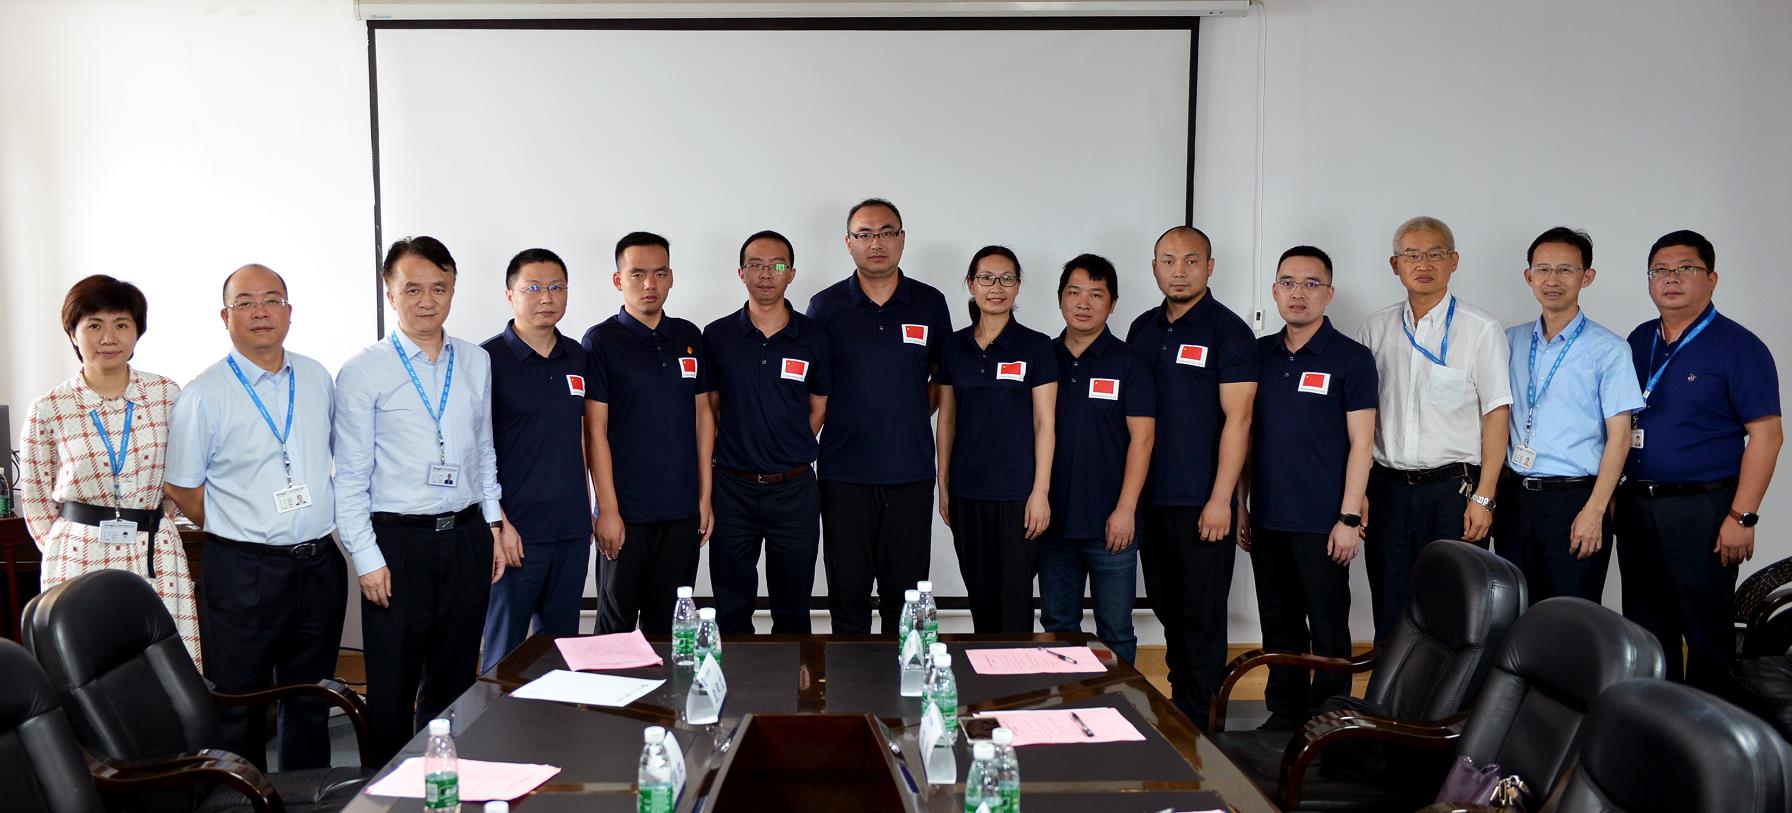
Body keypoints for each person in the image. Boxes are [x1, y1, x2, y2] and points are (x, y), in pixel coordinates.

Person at [333, 236, 505, 762]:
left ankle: (443, 778)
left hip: (466, 536)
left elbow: (484, 451)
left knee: (455, 681)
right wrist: (367, 559)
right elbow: (350, 477)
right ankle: (385, 791)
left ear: (452, 290)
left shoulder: (475, 360)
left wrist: (493, 526)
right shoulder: (364, 370)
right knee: (392, 682)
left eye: (439, 287)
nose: (427, 300)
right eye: (412, 289)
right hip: (397, 544)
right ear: (390, 294)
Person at [164, 264, 342, 768]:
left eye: (271, 300)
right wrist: (238, 525)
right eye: (245, 302)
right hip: (244, 570)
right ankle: (242, 799)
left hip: (319, 563)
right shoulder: (203, 394)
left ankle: (309, 792)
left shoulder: (317, 377)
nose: (260, 311)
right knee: (239, 702)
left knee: (311, 697)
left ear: (289, 311)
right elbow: (181, 484)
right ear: (226, 317)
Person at [1618, 229, 1781, 700]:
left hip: (1703, 510)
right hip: (1637, 505)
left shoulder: (1738, 346)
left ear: (1711, 279)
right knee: (1646, 628)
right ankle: (1655, 725)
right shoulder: (1639, 340)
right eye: (1660, 271)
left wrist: (1742, 517)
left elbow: (1767, 436)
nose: (1671, 279)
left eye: (1685, 268)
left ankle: (1709, 734)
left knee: (1705, 630)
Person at [19, 275, 201, 665]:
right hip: (77, 554)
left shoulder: (165, 395)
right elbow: (35, 500)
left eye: (121, 324)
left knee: (166, 671)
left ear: (137, 332)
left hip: (153, 550)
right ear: (73, 333)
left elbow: (182, 474)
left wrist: (154, 521)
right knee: (86, 670)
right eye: (94, 325)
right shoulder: (49, 407)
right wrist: (69, 544)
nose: (108, 338)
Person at [1238, 246, 1376, 730]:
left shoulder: (1352, 358)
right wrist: (1241, 506)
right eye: (1288, 282)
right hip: (1268, 518)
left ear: (1329, 294)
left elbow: (1362, 444)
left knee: (1329, 628)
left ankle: (1329, 721)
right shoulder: (1258, 354)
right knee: (1279, 626)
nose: (1299, 293)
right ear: (1275, 291)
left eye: (1311, 284)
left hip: (1324, 522)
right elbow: (1244, 436)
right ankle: (1284, 714)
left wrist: (1349, 518)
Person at [1124, 225, 1257, 727]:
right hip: (1150, 497)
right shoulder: (1142, 329)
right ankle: (1181, 708)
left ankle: (1202, 721)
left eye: (1191, 260)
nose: (1179, 271)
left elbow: (1240, 420)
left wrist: (1223, 499)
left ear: (1209, 267)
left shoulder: (1229, 332)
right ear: (1155, 267)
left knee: (1202, 614)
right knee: (1165, 605)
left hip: (1203, 500)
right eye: (1168, 261)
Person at [1356, 216, 1511, 641]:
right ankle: (1391, 686)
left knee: (1454, 607)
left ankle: (1450, 689)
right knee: (1390, 603)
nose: (1423, 264)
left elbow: (1497, 415)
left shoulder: (1481, 329)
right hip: (1386, 490)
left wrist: (1485, 497)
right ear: (1395, 265)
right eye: (1411, 255)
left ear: (1454, 261)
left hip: (1453, 492)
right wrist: (1360, 490)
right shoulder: (1375, 328)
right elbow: (1363, 417)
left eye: (1435, 254)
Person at [806, 198, 954, 634]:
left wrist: (909, 410)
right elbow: (813, 387)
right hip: (843, 474)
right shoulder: (825, 307)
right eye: (865, 235)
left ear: (902, 240)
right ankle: (851, 680)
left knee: (906, 602)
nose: (876, 243)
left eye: (887, 233)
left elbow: (941, 377)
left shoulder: (929, 303)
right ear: (848, 243)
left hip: (910, 471)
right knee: (847, 598)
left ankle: (904, 680)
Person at [1494, 228, 1641, 603]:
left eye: (1565, 270)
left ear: (1586, 277)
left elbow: (1620, 437)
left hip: (1575, 499)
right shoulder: (1509, 341)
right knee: (1515, 612)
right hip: (1515, 499)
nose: (1552, 280)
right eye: (1543, 269)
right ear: (1528, 276)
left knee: (1570, 615)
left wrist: (1595, 511)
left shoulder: (1609, 349)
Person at [582, 231, 715, 634]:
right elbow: (594, 430)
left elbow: (704, 417)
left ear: (671, 277)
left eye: (659, 273)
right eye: (637, 274)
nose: (649, 284)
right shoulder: (601, 341)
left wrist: (704, 498)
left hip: (680, 511)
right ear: (618, 280)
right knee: (615, 632)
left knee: (671, 630)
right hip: (627, 514)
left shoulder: (689, 337)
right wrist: (607, 509)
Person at [702, 230, 830, 634]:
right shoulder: (717, 336)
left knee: (793, 609)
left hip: (794, 490)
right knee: (730, 607)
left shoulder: (814, 336)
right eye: (755, 265)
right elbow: (711, 406)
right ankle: (732, 675)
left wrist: (787, 444)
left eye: (776, 265)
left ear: (791, 273)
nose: (765, 274)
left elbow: (819, 405)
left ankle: (793, 678)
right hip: (732, 488)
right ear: (741, 273)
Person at [479, 248, 594, 670]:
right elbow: (474, 451)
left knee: (561, 653)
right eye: (533, 288)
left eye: (556, 287)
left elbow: (589, 438)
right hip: (516, 533)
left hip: (572, 529)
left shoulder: (579, 357)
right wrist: (499, 524)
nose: (546, 297)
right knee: (504, 656)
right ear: (509, 295)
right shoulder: (485, 360)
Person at [936, 246, 1058, 633]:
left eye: (1007, 278)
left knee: (1014, 603)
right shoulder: (953, 347)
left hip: (1017, 494)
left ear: (1018, 286)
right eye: (986, 278)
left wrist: (1040, 493)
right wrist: (943, 484)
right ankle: (984, 673)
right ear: (971, 284)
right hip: (967, 491)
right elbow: (947, 419)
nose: (996, 287)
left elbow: (1045, 423)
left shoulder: (1036, 346)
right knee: (981, 599)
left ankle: (1015, 675)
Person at [1039, 254, 1154, 664]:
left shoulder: (1129, 362)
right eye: (1074, 292)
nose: (1083, 303)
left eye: (1096, 294)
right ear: (1060, 299)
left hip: (1111, 525)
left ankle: (1119, 705)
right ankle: (1060, 705)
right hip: (1053, 522)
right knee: (1058, 627)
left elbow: (1142, 440)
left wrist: (1126, 510)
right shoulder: (1042, 356)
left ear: (1113, 303)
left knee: (1116, 632)